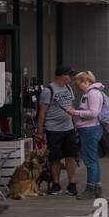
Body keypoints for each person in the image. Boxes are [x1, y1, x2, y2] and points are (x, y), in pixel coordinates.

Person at [35, 66, 80, 197]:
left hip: (68, 127)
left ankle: (72, 183)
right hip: (53, 129)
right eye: (69, 75)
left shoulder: (68, 88)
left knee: (71, 156)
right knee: (54, 157)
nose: (71, 78)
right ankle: (56, 184)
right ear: (61, 76)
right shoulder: (48, 91)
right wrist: (39, 131)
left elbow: (71, 106)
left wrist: (74, 123)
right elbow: (42, 112)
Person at [67, 70, 107, 199]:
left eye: (79, 85)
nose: (79, 88)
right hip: (89, 129)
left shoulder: (93, 93)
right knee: (93, 158)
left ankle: (90, 188)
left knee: (90, 160)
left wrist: (75, 112)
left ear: (86, 81)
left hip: (90, 129)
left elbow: (93, 113)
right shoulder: (92, 93)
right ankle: (97, 186)